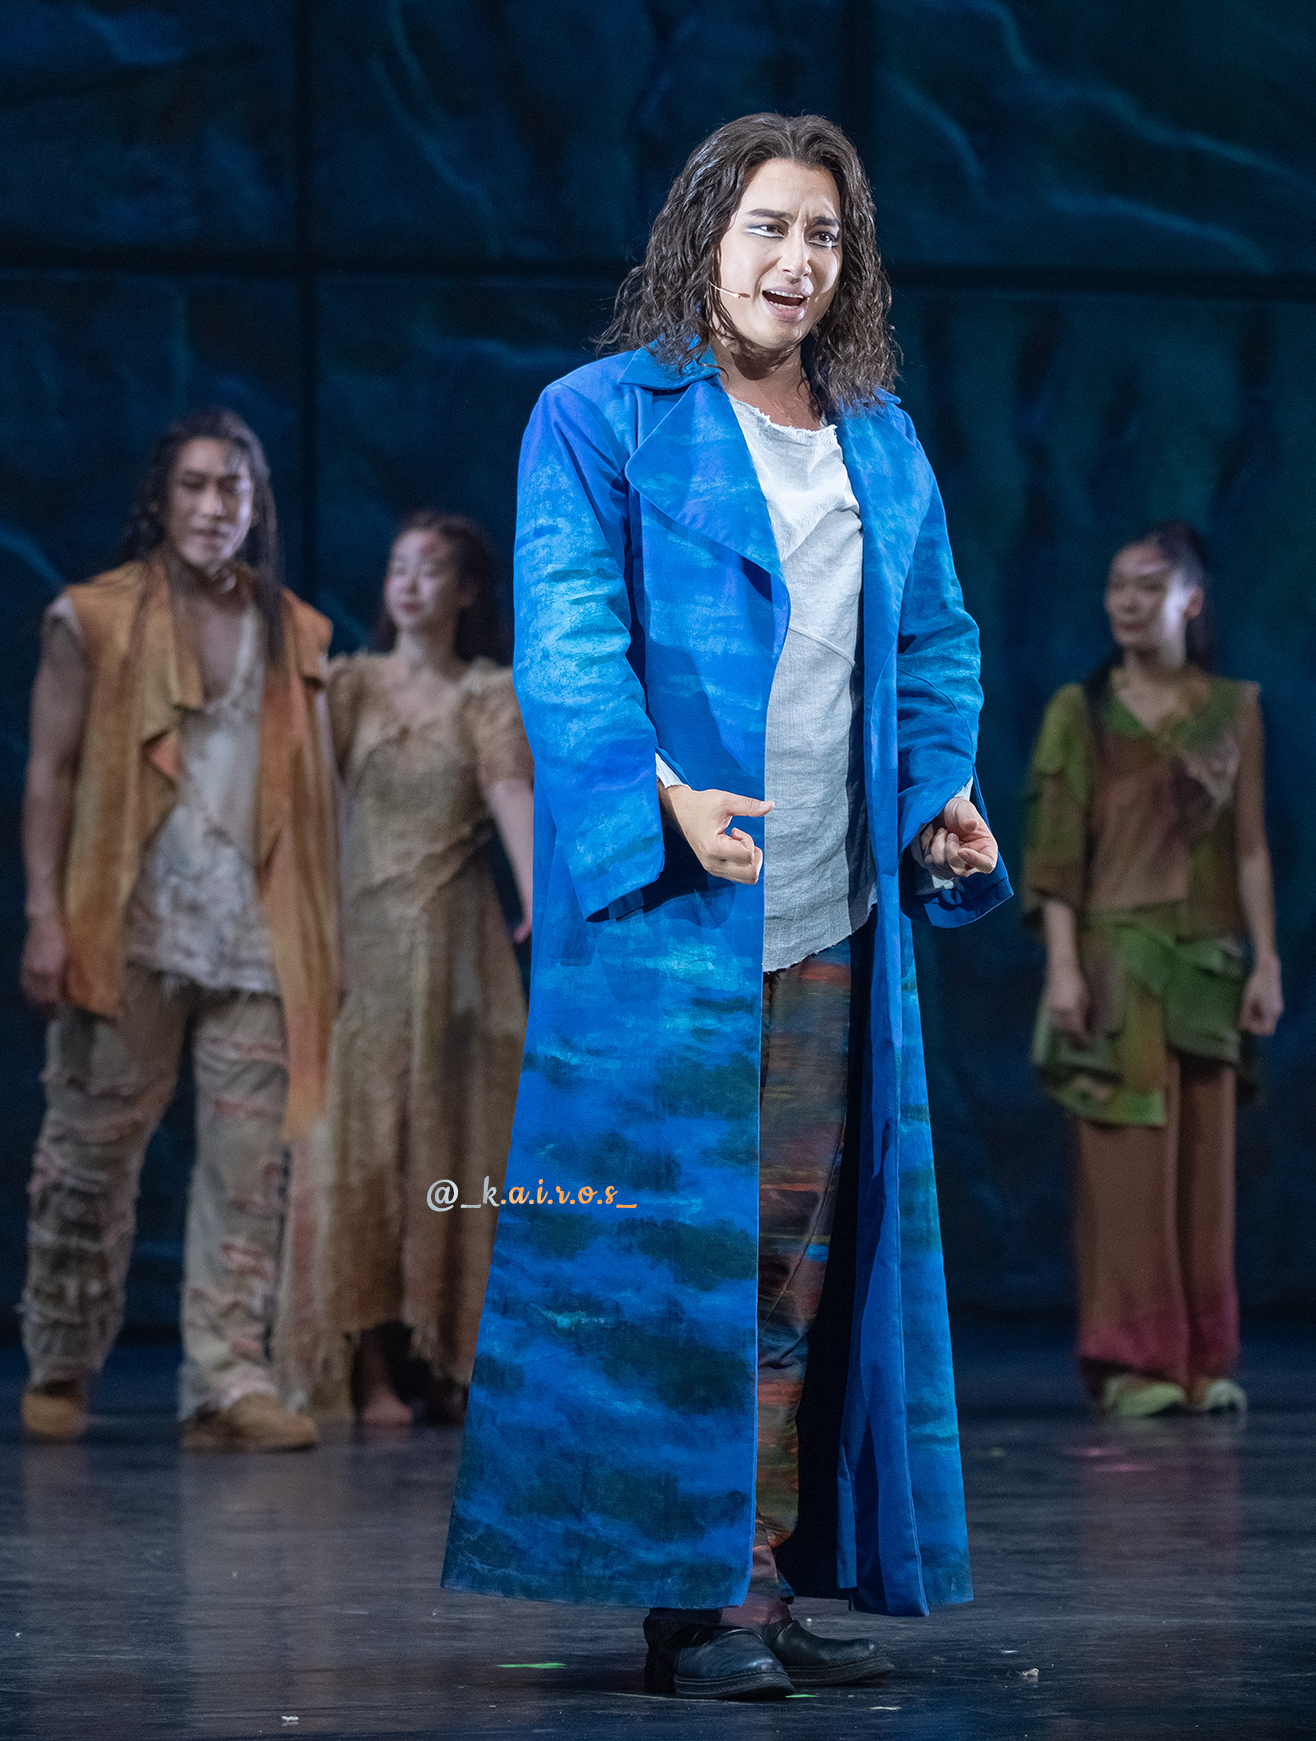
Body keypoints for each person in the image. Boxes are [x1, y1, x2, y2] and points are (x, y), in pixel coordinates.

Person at [440, 112, 1010, 1701]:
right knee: (663, 1270)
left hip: (829, 914)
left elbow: (933, 642)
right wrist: (655, 801)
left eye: (823, 235)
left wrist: (939, 795)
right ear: (705, 236)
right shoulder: (598, 418)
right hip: (671, 929)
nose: (795, 261)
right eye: (767, 225)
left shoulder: (878, 441)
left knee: (791, 1269)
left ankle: (756, 1581)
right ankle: (688, 1605)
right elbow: (565, 636)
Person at [18, 410, 339, 1451]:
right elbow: (49, 773)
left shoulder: (294, 630)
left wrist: (325, 944)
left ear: (255, 504)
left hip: (253, 935)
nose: (212, 506)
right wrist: (44, 915)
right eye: (194, 486)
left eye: (231, 488)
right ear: (161, 497)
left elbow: (316, 802)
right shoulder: (93, 618)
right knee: (89, 1155)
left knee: (249, 1169)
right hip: (129, 922)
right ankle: (61, 1358)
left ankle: (226, 1383)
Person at [274, 512, 533, 1427]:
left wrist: (539, 900)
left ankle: (455, 1355)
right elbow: (321, 809)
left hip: (457, 952)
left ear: (466, 590)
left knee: (457, 1148)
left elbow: (509, 791)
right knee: (358, 1148)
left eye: (431, 569)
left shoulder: (487, 694)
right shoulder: (348, 686)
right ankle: (371, 1366)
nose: (410, 583)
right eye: (398, 567)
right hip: (364, 943)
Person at [1024, 523, 1283, 1418]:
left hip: (1207, 971)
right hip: (1116, 971)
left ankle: (1203, 1358)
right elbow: (1054, 853)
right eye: (1116, 587)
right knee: (1126, 1175)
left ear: (1189, 600)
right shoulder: (1081, 711)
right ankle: (1132, 1362)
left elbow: (1249, 848)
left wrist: (1265, 962)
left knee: (1205, 1176)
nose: (1126, 604)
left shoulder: (1234, 708)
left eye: (1147, 587)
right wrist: (1063, 968)